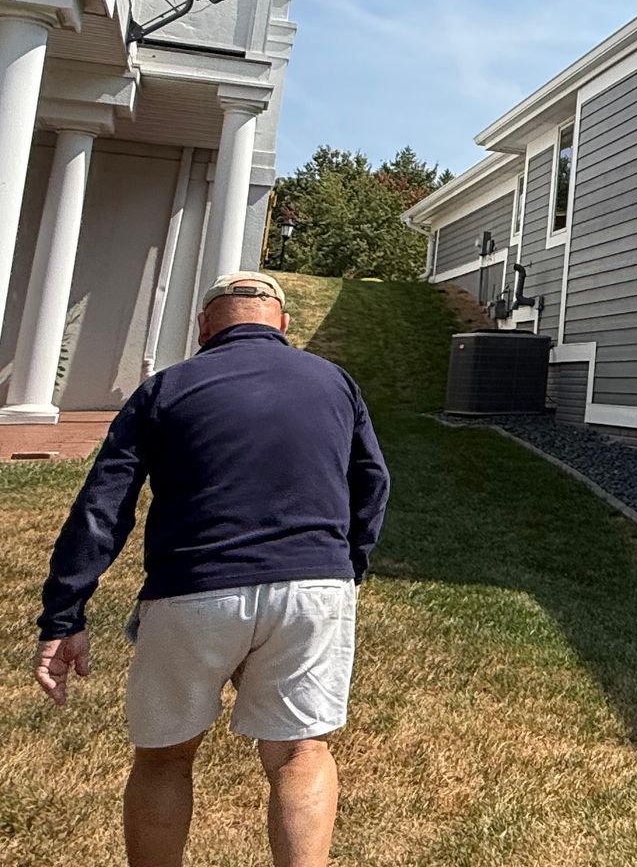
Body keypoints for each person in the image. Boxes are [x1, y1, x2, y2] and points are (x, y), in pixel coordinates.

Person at [31, 271, 390, 867]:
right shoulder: (334, 382)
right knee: (301, 754)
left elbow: (103, 506)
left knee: (165, 758)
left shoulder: (165, 388)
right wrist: (346, 568)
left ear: (203, 327)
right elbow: (372, 484)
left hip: (192, 592)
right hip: (312, 589)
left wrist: (64, 613)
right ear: (283, 324)